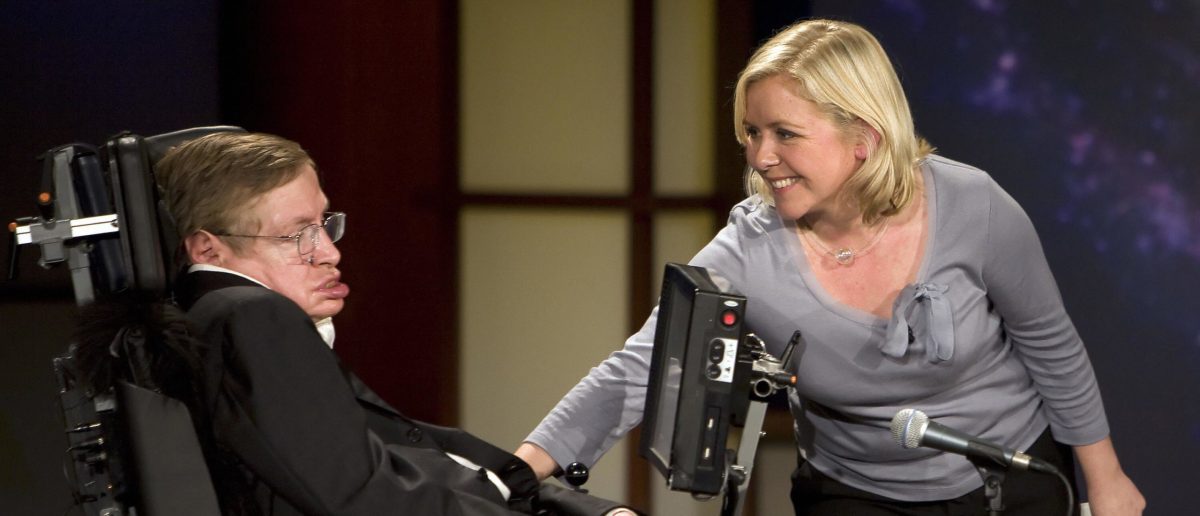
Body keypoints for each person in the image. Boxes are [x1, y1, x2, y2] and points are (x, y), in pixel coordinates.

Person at [515, 19, 1146, 516]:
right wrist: (515, 472)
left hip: (1012, 474)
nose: (760, 156)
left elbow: (1049, 344)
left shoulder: (972, 206)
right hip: (854, 493)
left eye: (785, 134)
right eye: (752, 132)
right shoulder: (747, 250)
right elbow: (642, 367)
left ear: (863, 138)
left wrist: (1107, 480)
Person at [153, 131, 636, 515]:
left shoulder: (213, 317)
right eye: (296, 235)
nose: (329, 252)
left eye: (323, 224)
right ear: (208, 249)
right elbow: (369, 500)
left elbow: (410, 466)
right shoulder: (251, 316)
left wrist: (580, 508)